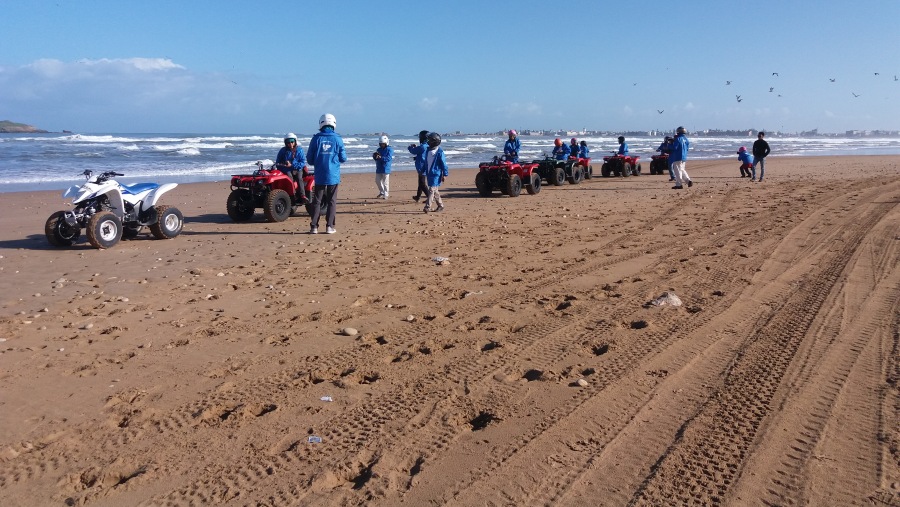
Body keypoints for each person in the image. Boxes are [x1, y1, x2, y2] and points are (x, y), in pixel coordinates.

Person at [306, 113, 347, 234]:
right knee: (331, 201)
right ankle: (329, 226)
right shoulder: (337, 139)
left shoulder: (316, 139)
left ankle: (314, 227)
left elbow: (310, 159)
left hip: (319, 174)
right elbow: (343, 158)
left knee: (317, 201)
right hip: (333, 175)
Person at [275, 133, 307, 201]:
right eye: (288, 142)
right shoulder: (283, 150)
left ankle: (302, 195)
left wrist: (292, 165)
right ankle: (292, 194)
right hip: (287, 169)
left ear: (295, 141)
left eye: (292, 141)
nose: (290, 144)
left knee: (299, 178)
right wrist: (284, 165)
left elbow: (302, 162)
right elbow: (277, 163)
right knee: (289, 178)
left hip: (298, 169)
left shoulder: (299, 150)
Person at [422, 132, 449, 213]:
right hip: (429, 173)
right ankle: (440, 206)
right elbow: (426, 162)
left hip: (436, 174)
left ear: (434, 141)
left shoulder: (440, 152)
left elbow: (444, 164)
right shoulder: (428, 151)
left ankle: (427, 207)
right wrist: (422, 170)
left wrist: (445, 174)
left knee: (431, 190)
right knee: (435, 191)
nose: (428, 142)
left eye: (430, 140)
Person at [408, 130, 430, 202]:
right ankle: (418, 196)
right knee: (420, 182)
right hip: (425, 166)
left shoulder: (423, 146)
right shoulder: (427, 146)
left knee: (422, 184)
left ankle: (430, 197)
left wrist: (410, 147)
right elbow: (422, 155)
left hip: (422, 167)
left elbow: (413, 151)